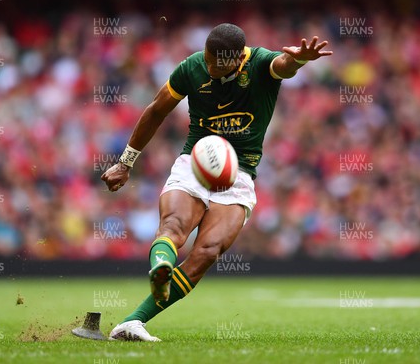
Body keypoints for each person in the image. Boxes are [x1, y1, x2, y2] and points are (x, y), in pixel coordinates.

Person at [101, 23, 332, 341]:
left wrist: (299, 60)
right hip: (194, 163)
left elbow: (284, 66)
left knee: (207, 251)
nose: (209, 69)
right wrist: (126, 163)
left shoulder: (261, 64)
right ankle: (161, 270)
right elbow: (156, 110)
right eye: (207, 61)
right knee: (173, 227)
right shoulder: (192, 67)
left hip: (239, 174)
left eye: (217, 65)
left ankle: (131, 323)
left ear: (238, 60)